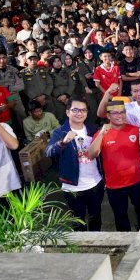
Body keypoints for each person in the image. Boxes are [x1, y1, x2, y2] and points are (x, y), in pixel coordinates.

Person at [87, 100, 140, 232]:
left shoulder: (135, 130)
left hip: (137, 181)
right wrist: (101, 134)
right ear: (108, 116)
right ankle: (126, 242)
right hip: (114, 185)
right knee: (120, 216)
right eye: (115, 113)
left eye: (122, 112)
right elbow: (91, 155)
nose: (120, 116)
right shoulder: (102, 133)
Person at [46, 97, 104, 231]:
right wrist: (63, 142)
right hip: (73, 187)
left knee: (95, 216)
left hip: (95, 182)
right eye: (75, 110)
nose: (79, 113)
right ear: (67, 112)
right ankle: (83, 246)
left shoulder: (92, 129)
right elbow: (49, 152)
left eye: (83, 110)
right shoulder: (60, 132)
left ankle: (97, 242)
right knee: (78, 220)